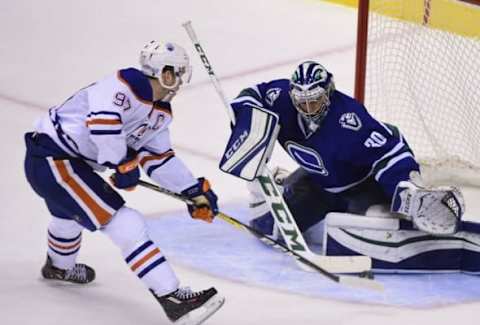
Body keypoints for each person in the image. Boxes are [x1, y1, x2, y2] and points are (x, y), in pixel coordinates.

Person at [24, 40, 224, 325]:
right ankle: (173, 298)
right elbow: (103, 127)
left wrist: (192, 191)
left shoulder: (160, 112)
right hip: (54, 160)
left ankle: (59, 267)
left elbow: (158, 158)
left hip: (65, 163)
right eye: (176, 73)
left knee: (67, 214)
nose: (179, 81)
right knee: (126, 223)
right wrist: (120, 161)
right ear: (163, 72)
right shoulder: (121, 86)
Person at [219, 60, 474, 272]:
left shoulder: (349, 120)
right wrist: (246, 117)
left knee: (372, 224)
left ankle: (410, 200)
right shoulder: (281, 97)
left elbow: (391, 150)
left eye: (315, 101)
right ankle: (291, 181)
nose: (308, 108)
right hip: (320, 184)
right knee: (271, 230)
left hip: (363, 187)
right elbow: (251, 96)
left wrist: (403, 187)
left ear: (328, 92)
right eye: (302, 101)